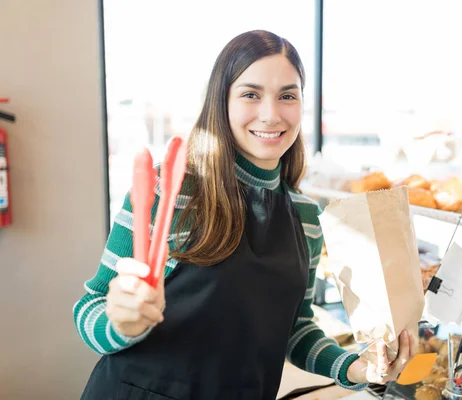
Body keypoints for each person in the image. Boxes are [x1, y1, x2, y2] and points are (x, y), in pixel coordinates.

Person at [73, 30, 415, 400]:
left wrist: (354, 367)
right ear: (222, 103)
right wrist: (121, 323)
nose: (271, 114)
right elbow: (90, 309)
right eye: (251, 94)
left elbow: (296, 330)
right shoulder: (171, 190)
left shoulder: (305, 217)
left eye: (287, 96)